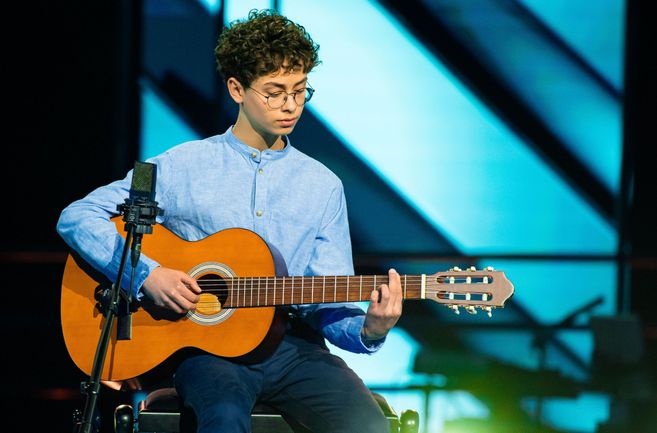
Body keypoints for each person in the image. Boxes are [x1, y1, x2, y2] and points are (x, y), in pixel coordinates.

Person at [57, 9, 403, 433]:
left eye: (300, 91)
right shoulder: (184, 165)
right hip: (209, 353)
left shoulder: (323, 185)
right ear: (237, 89)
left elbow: (326, 305)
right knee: (223, 418)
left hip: (295, 351)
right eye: (274, 92)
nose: (290, 105)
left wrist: (369, 328)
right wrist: (147, 276)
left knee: (367, 426)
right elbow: (77, 217)